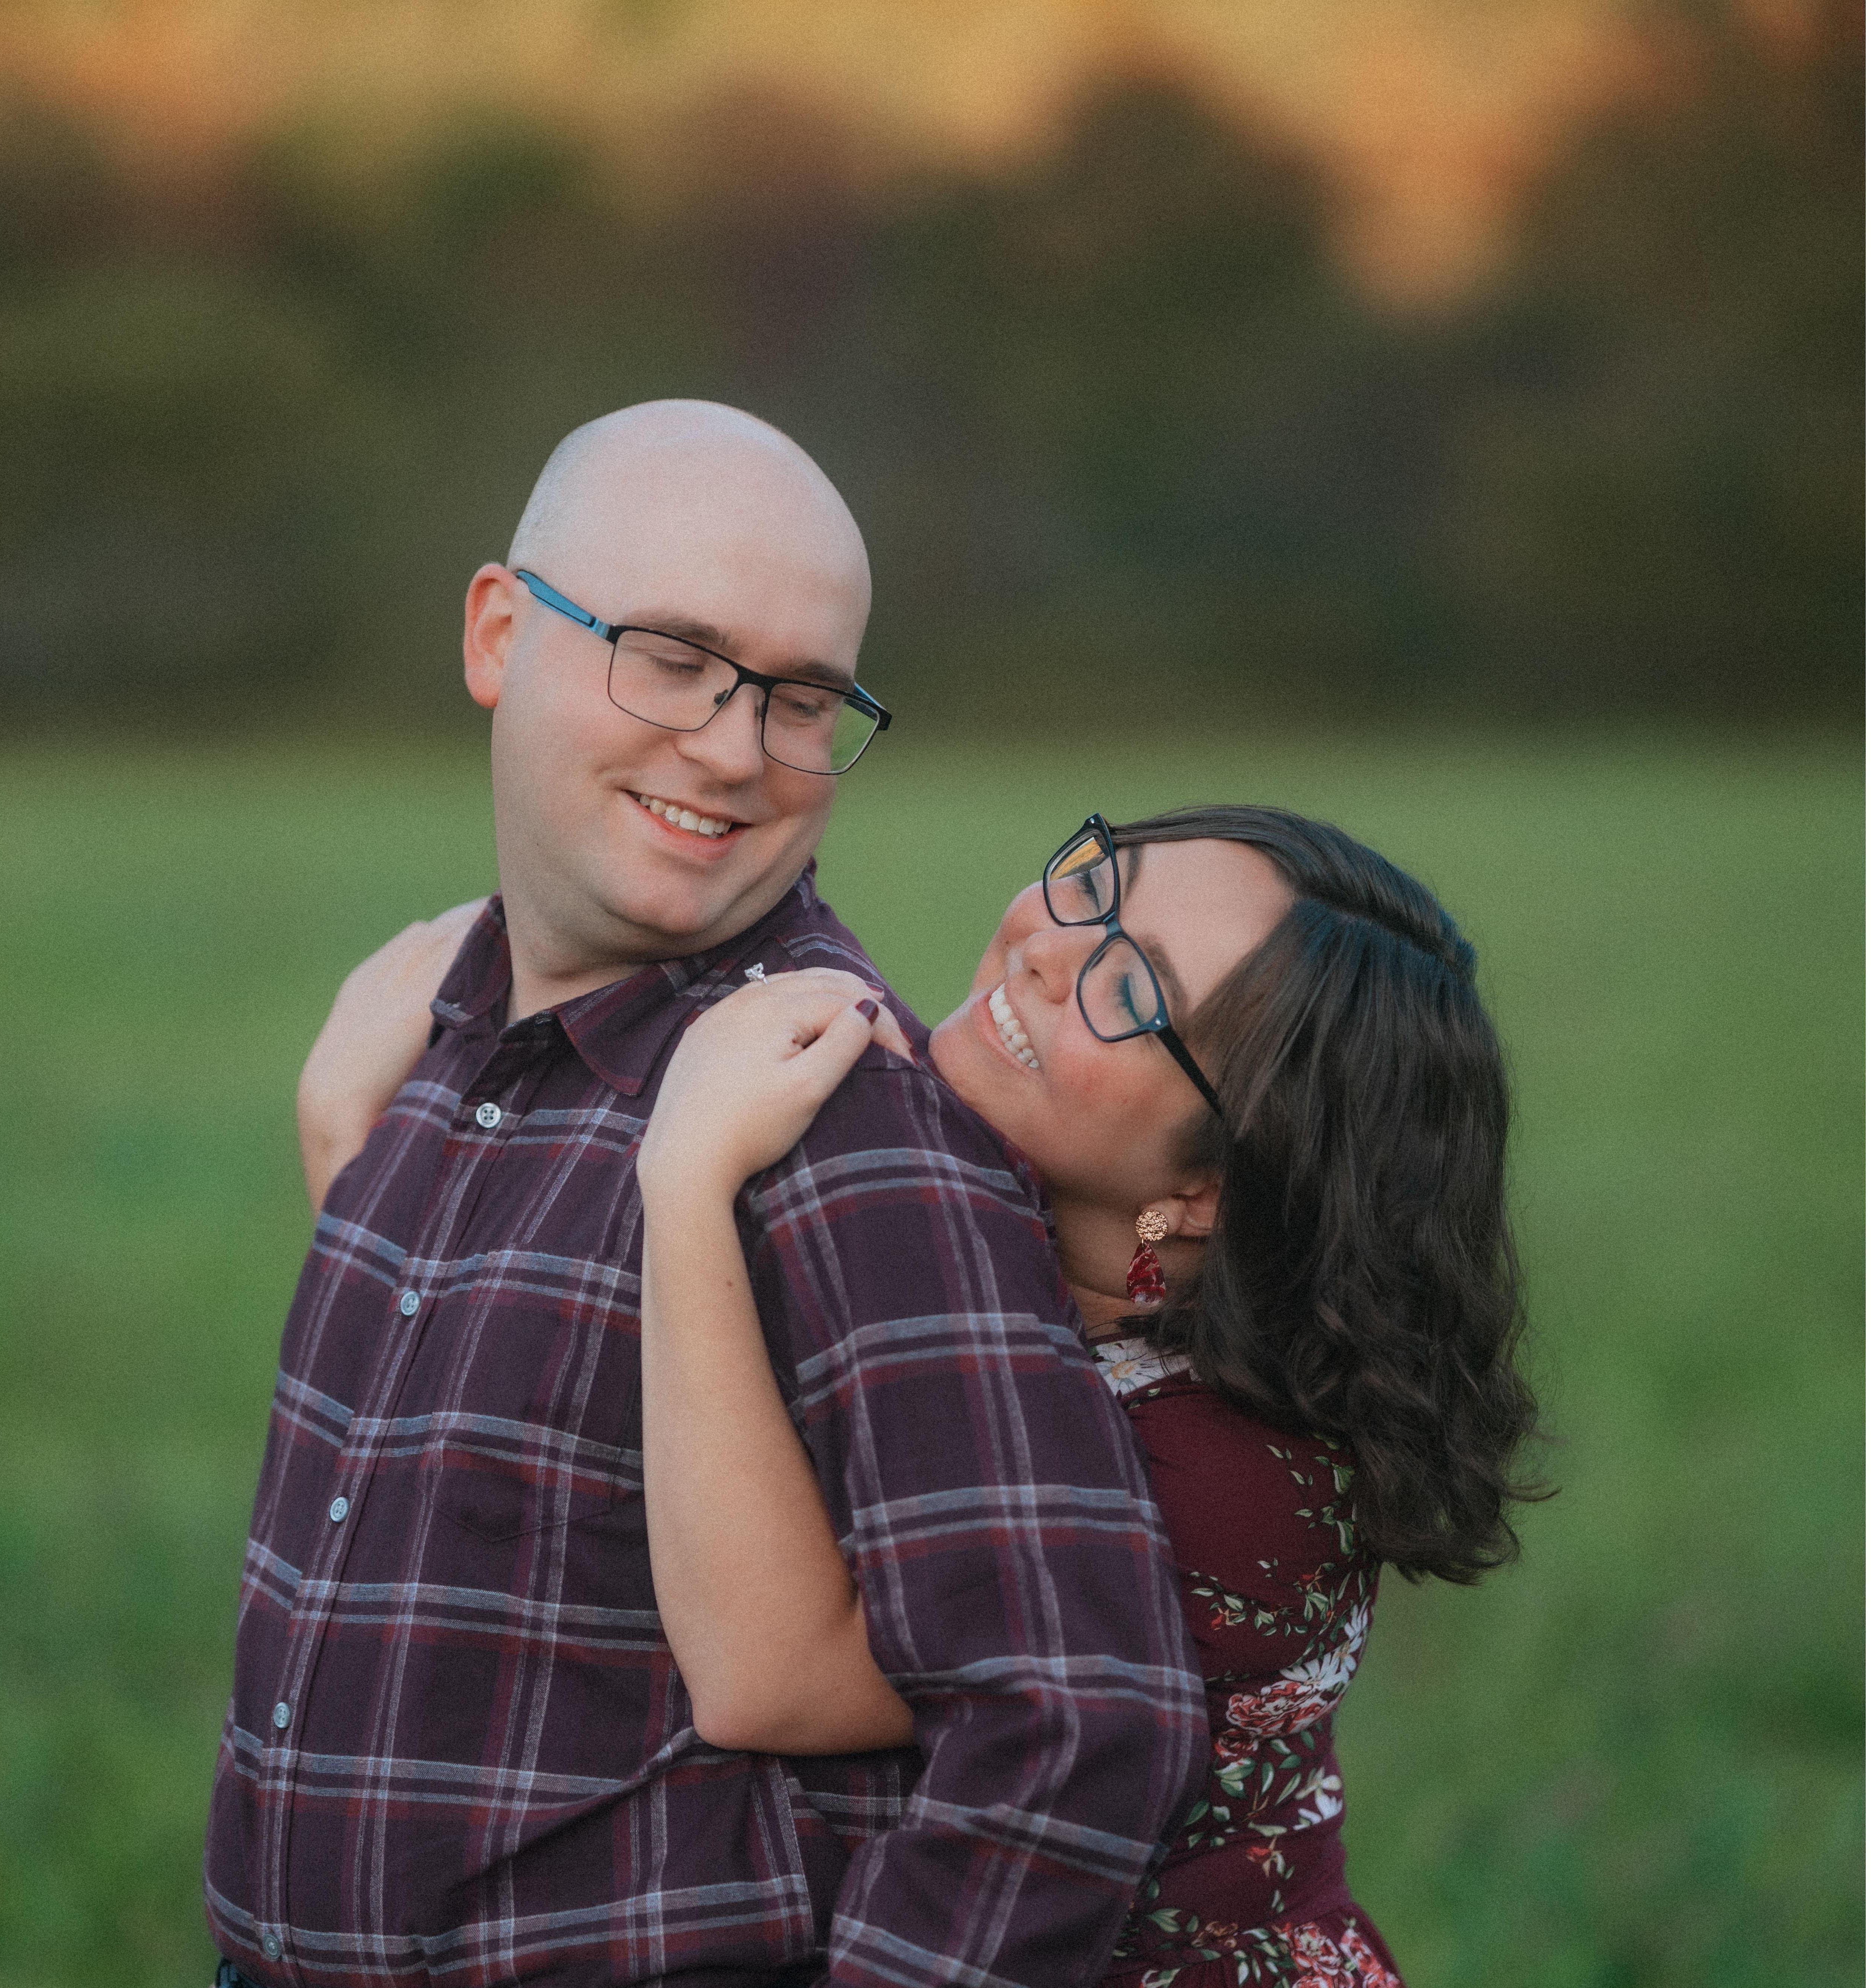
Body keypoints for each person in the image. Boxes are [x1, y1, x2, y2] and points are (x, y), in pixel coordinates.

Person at [205, 400, 1208, 1988]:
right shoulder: (434, 1038)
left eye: (800, 697)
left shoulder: (829, 1107)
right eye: (669, 656)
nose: (735, 748)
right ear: (494, 632)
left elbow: (1077, 1713)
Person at [303, 804, 1544, 1987]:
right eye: (1095, 880)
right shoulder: (988, 1254)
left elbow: (768, 1675)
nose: (1051, 946)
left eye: (1137, 991)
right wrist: (354, 1150)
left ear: (1217, 1185)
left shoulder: (1213, 1481)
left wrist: (682, 1177)